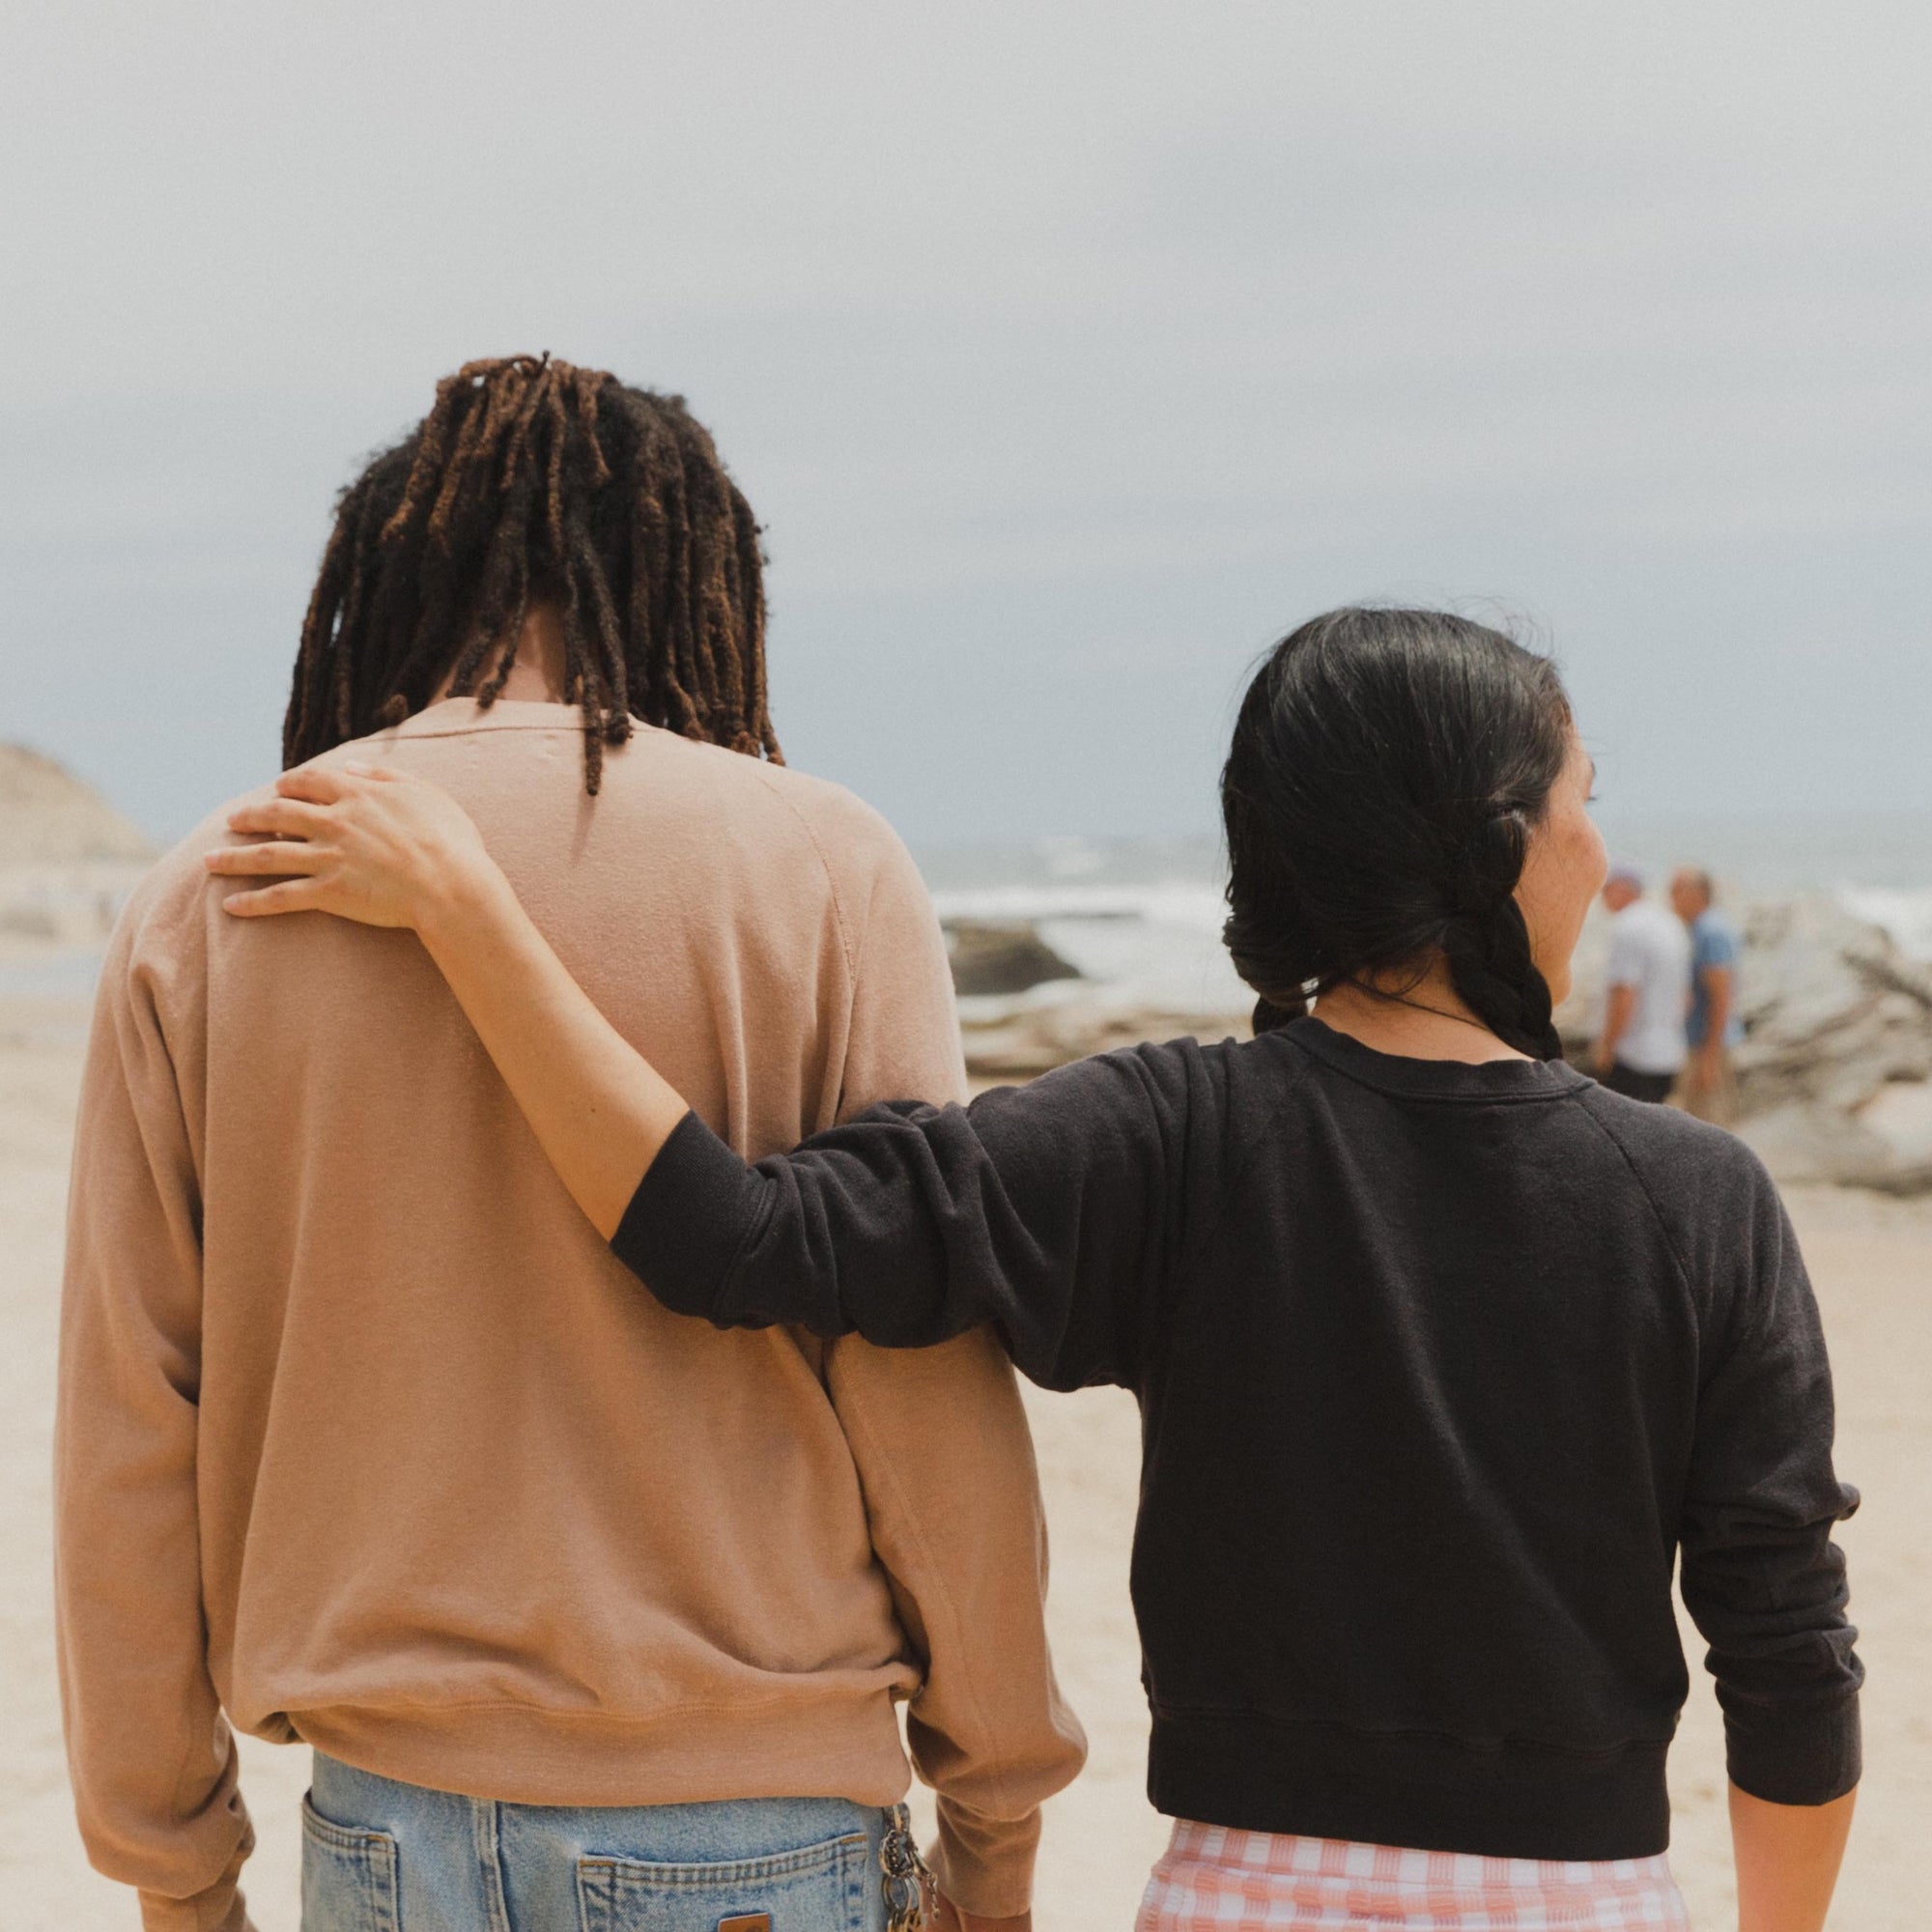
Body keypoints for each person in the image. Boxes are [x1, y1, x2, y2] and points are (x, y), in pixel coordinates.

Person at [213, 607, 1863, 1932]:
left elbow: (731, 1237)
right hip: (1587, 1899)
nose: (1595, 849)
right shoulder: (1695, 1198)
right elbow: (1785, 1651)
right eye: (1584, 799)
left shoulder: (1172, 1137)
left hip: (1243, 1899)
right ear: (1498, 842)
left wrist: (471, 919)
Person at [59, 355, 1083, 1932]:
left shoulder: (216, 893)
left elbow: (133, 1420)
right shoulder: (820, 864)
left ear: (395, 576)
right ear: (691, 575)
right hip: (753, 1817)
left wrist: (175, 1872)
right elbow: (921, 1366)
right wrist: (998, 1814)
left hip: (379, 1828)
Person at [1594, 864, 1691, 1103]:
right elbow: (1685, 997)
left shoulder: (1628, 926)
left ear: (1624, 890)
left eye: (1606, 889)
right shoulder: (1671, 923)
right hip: (1669, 1052)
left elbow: (1624, 994)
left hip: (1633, 1055)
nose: (1601, 895)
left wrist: (1606, 1046)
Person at [1672, 865, 1744, 1123]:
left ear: (1698, 894)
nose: (1670, 897)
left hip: (1709, 1044)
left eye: (1677, 890)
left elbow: (1721, 996)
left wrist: (1710, 1057)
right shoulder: (1698, 929)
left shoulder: (1710, 931)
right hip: (1701, 1042)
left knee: (1710, 1122)